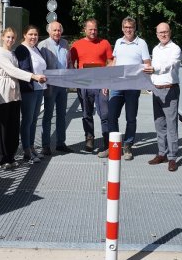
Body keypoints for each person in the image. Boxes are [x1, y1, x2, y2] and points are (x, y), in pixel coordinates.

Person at [0, 27, 47, 169]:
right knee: (3, 126)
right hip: (3, 93)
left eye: (12, 38)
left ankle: (10, 157)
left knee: (13, 125)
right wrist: (33, 77)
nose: (10, 40)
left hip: (15, 92)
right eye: (8, 37)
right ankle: (2, 159)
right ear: (3, 37)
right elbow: (13, 70)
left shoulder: (12, 53)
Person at [105, 17, 151, 160]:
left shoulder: (141, 43)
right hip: (117, 86)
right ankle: (114, 146)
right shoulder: (118, 42)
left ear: (134, 28)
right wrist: (106, 82)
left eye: (130, 27)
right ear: (122, 28)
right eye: (125, 27)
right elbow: (114, 62)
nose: (128, 30)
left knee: (131, 118)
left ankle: (128, 146)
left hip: (133, 87)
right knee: (112, 116)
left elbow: (147, 64)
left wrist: (148, 83)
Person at [68, 18, 113, 154]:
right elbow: (71, 64)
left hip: (101, 84)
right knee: (87, 113)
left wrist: (107, 81)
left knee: (104, 114)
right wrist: (76, 78)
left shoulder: (104, 43)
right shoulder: (76, 45)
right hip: (84, 84)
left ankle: (106, 141)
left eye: (95, 29)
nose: (93, 32)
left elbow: (111, 62)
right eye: (90, 29)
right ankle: (89, 138)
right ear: (85, 30)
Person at [145, 22, 182, 172]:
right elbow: (152, 70)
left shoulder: (175, 49)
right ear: (157, 34)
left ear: (170, 32)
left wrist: (155, 70)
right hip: (157, 90)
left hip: (170, 89)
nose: (163, 34)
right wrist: (150, 84)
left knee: (171, 125)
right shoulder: (155, 49)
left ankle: (172, 157)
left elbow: (169, 65)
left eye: (165, 32)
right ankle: (162, 153)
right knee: (159, 124)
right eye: (160, 32)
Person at [14, 25, 49, 162]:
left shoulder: (35, 48)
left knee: (34, 120)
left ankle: (32, 147)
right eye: (30, 34)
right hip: (29, 89)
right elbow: (23, 69)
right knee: (27, 120)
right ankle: (26, 150)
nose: (33, 37)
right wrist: (34, 77)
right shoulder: (22, 49)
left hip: (39, 88)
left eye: (35, 34)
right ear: (24, 35)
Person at [38, 20, 72, 155]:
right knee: (48, 114)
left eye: (59, 30)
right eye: (54, 30)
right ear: (49, 31)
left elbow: (68, 62)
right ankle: (45, 145)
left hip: (63, 85)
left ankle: (60, 143)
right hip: (50, 85)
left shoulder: (65, 43)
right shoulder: (43, 45)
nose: (57, 32)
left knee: (62, 115)